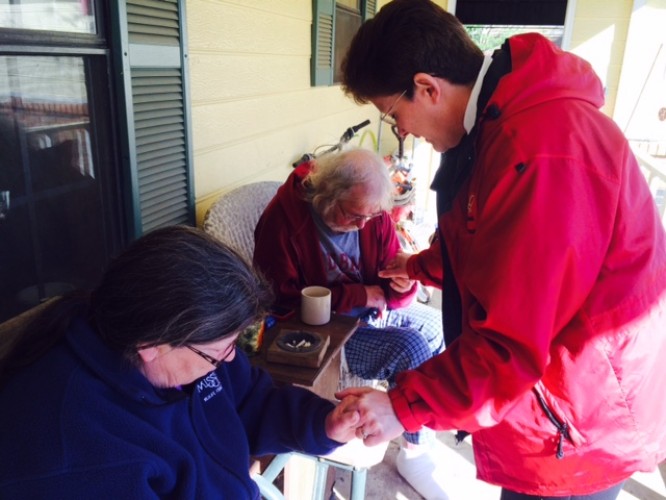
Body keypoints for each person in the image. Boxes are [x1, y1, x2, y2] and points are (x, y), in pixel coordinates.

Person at [335, 1, 666, 499]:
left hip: (580, 417)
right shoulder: (499, 123)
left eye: (394, 115)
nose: (404, 132)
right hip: (567, 403)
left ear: (427, 88)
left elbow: (509, 343)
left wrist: (401, 407)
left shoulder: (539, 151)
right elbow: (499, 245)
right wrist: (420, 265)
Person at [0, 225, 361, 499]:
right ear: (152, 345)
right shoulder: (75, 458)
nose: (231, 358)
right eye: (220, 350)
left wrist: (322, 424)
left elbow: (250, 400)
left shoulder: (183, 351)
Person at [253, 147, 448, 498]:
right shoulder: (282, 221)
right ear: (327, 196)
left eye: (371, 217)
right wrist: (359, 296)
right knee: (412, 348)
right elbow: (278, 300)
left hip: (371, 315)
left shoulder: (372, 216)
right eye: (353, 215)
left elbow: (392, 286)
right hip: (325, 331)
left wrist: (403, 285)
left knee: (438, 329)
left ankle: (417, 433)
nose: (362, 226)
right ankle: (414, 453)